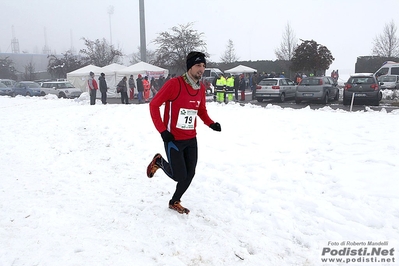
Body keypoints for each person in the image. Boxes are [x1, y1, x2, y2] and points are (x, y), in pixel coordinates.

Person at [146, 51, 222, 214]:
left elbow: (201, 110)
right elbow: (154, 105)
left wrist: (211, 124)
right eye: (198, 65)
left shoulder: (200, 89)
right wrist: (162, 131)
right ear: (189, 67)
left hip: (191, 139)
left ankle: (174, 201)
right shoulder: (174, 84)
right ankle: (159, 161)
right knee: (179, 176)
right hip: (173, 138)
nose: (201, 69)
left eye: (203, 65)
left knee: (190, 174)